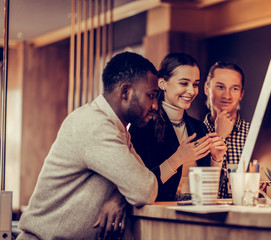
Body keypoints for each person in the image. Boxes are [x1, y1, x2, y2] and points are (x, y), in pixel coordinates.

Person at [17, 52, 159, 240]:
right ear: (125, 92)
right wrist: (127, 191)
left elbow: (141, 181)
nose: (156, 105)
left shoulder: (117, 129)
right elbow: (144, 189)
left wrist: (119, 197)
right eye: (151, 96)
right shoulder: (95, 125)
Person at [129, 53, 226, 201]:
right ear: (162, 84)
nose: (192, 91)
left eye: (195, 84)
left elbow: (208, 191)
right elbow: (139, 186)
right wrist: (178, 158)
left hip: (195, 215)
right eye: (184, 83)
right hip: (158, 216)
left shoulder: (199, 128)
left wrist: (216, 160)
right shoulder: (142, 126)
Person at [204, 61, 250, 199]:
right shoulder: (195, 133)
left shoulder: (254, 134)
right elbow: (202, 194)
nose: (227, 96)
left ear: (241, 94)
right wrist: (219, 136)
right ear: (207, 89)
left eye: (234, 88)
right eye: (220, 87)